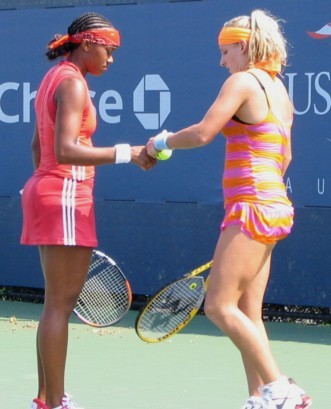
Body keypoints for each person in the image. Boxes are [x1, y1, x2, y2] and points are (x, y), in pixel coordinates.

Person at [147, 9, 312, 409]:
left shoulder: (243, 82)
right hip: (273, 204)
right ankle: (259, 397)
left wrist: (161, 142)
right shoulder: (279, 91)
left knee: (219, 305)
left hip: (251, 205)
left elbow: (204, 132)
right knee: (247, 312)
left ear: (243, 47)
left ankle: (281, 387)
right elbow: (284, 157)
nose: (221, 61)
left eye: (225, 51)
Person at [21, 12, 156, 409]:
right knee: (60, 305)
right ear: (88, 43)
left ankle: (46, 399)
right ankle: (56, 402)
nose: (112, 59)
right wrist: (127, 153)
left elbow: (36, 147)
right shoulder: (72, 83)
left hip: (51, 192)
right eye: (109, 50)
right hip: (64, 194)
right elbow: (63, 150)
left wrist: (47, 186)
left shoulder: (57, 77)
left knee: (54, 304)